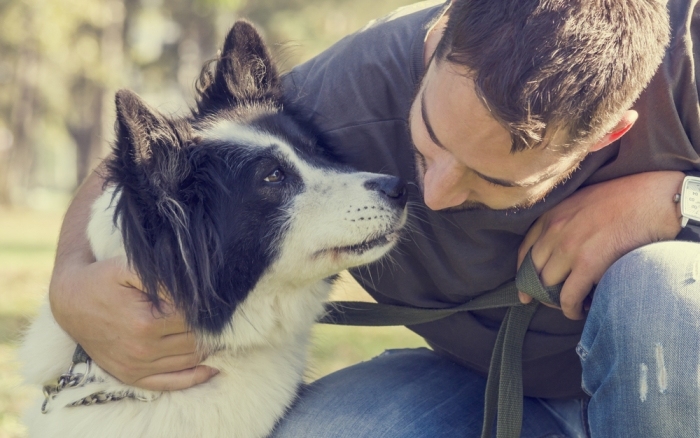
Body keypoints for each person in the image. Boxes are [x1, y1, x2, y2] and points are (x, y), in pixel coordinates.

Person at [48, 0, 700, 436]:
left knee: (661, 290)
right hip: (482, 391)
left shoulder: (688, 58)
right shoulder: (351, 87)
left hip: (676, 387)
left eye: (490, 178)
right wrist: (70, 282)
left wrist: (673, 201)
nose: (435, 194)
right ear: (439, 37)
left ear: (607, 132)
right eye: (427, 142)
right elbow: (164, 153)